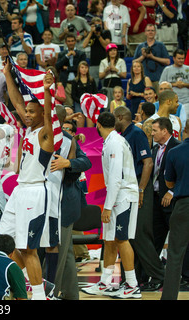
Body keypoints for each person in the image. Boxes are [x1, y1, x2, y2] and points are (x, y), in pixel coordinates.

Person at [0, 58, 55, 300]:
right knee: (5, 244)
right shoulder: (30, 129)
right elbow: (17, 102)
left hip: (35, 191)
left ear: (43, 112)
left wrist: (46, 91)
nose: (27, 115)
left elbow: (49, 115)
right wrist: (7, 76)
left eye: (33, 112)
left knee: (28, 248)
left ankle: (41, 295)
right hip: (19, 192)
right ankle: (32, 283)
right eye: (27, 112)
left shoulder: (47, 134)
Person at [81, 111, 141, 299]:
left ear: (98, 125)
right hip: (117, 195)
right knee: (109, 239)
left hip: (122, 196)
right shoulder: (113, 140)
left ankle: (132, 285)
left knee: (122, 239)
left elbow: (115, 178)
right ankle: (105, 282)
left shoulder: (115, 143)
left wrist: (107, 207)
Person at [113, 106, 166, 291]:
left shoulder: (136, 133)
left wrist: (141, 189)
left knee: (140, 235)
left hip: (139, 186)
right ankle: (132, 278)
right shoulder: (124, 135)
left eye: (114, 119)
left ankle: (161, 275)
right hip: (130, 187)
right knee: (129, 236)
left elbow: (148, 162)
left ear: (120, 117)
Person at [50, 105, 92, 300]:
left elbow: (86, 162)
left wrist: (69, 163)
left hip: (65, 203)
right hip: (52, 202)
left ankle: (51, 293)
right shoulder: (44, 137)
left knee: (57, 252)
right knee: (65, 253)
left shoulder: (68, 141)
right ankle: (71, 294)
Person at [161, 120, 189, 300]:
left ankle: (169, 297)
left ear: (186, 130)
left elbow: (169, 183)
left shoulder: (174, 152)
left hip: (183, 206)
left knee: (175, 254)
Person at [150, 117, 181, 277]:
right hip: (155, 199)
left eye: (155, 130)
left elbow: (183, 174)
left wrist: (172, 191)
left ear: (165, 130)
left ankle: (182, 275)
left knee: (177, 240)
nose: (152, 133)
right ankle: (156, 275)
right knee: (155, 239)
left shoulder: (178, 147)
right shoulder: (154, 149)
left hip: (172, 200)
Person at [133, 23, 171, 91]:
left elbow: (167, 61)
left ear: (155, 32)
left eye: (152, 30)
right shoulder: (140, 46)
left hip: (158, 80)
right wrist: (143, 56)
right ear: (145, 32)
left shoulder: (160, 45)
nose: (150, 32)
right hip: (143, 81)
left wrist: (152, 57)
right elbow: (134, 62)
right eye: (148, 30)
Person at [55, 34, 87, 107]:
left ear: (75, 41)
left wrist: (67, 68)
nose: (71, 43)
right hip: (67, 84)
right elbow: (57, 66)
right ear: (66, 42)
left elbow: (81, 68)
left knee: (79, 106)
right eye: (69, 41)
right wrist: (67, 56)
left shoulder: (81, 54)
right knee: (68, 107)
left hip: (78, 83)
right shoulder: (62, 54)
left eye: (72, 41)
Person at [82, 17, 111, 88]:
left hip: (104, 63)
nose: (98, 27)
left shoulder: (106, 32)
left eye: (99, 25)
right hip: (93, 63)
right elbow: (84, 45)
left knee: (106, 86)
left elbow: (106, 46)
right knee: (92, 86)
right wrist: (91, 32)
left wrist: (98, 35)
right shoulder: (91, 34)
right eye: (96, 25)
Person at [159, 49, 189, 118]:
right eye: (179, 58)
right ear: (174, 58)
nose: (181, 60)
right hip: (171, 102)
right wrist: (175, 84)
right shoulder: (167, 69)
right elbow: (161, 84)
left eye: (182, 58)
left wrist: (184, 84)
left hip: (187, 101)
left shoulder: (188, 68)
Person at [70, 60, 97, 127]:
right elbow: (73, 95)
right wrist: (81, 101)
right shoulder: (75, 81)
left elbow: (95, 93)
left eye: (86, 67)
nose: (84, 69)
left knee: (90, 129)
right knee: (80, 128)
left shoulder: (91, 80)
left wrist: (90, 100)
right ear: (79, 69)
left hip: (90, 104)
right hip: (79, 104)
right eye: (82, 67)